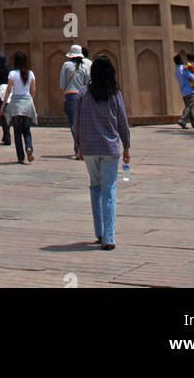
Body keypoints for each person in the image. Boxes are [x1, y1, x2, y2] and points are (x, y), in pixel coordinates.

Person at [74, 55, 130, 250]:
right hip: (110, 148)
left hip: (89, 149)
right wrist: (127, 146)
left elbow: (77, 123)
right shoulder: (114, 94)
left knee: (96, 187)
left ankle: (99, 232)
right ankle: (109, 237)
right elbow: (122, 122)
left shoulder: (83, 93)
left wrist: (78, 146)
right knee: (109, 190)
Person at [2, 51, 38, 164]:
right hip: (27, 103)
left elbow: (8, 90)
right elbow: (33, 90)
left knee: (17, 132)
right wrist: (30, 100)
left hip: (16, 104)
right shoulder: (30, 73)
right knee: (27, 130)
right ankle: (29, 147)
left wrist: (3, 105)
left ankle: (20, 157)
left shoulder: (12, 74)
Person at [60, 44, 89, 157]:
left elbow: (62, 84)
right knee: (82, 123)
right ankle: (80, 148)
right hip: (83, 95)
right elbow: (87, 84)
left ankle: (79, 148)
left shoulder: (66, 65)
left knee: (73, 123)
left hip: (70, 95)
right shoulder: (84, 66)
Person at [174, 54, 194, 129]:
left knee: (191, 108)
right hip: (189, 90)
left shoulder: (176, 71)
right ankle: (182, 120)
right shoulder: (183, 69)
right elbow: (192, 77)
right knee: (189, 107)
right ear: (181, 60)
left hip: (183, 91)